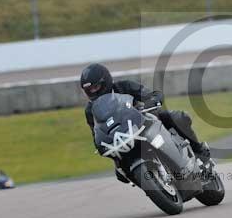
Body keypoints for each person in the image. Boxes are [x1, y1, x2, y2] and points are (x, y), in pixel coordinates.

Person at [80, 63, 211, 183]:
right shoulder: (90, 110)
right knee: (120, 174)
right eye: (89, 90)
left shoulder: (123, 86)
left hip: (144, 121)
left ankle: (199, 152)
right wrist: (98, 143)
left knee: (177, 117)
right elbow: (96, 131)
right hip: (121, 139)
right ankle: (149, 182)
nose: (93, 92)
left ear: (105, 81)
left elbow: (146, 93)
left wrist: (153, 99)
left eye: (95, 87)